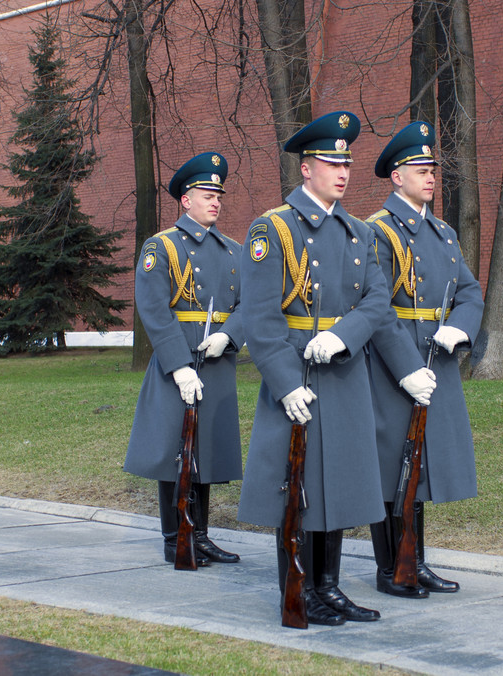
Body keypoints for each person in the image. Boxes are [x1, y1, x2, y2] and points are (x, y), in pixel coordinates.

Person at [238, 111, 435, 626]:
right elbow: (260, 320)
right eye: (331, 162)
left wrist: (344, 338)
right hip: (297, 373)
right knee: (298, 488)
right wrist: (283, 384)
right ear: (307, 169)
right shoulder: (272, 229)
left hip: (343, 370)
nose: (342, 171)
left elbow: (376, 304)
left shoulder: (357, 231)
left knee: (338, 485)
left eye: (346, 162)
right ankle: (299, 592)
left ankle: (328, 586)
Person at [366, 121, 484, 598]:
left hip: (437, 354)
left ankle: (415, 561)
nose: (430, 174)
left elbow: (471, 291)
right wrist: (406, 367)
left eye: (432, 167)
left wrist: (460, 326)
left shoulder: (442, 232)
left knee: (421, 467)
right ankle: (390, 567)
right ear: (397, 176)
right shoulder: (377, 232)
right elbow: (375, 308)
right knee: (394, 464)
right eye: (419, 168)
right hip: (396, 361)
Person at [124, 152, 244, 567]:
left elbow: (252, 304)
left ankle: (202, 535)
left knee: (204, 451)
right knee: (177, 452)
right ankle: (176, 537)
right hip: (179, 360)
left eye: (218, 195)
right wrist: (178, 367)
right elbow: (155, 311)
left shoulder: (234, 251)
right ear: (185, 200)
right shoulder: (163, 246)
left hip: (216, 359)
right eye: (207, 194)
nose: (215, 202)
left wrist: (229, 334)